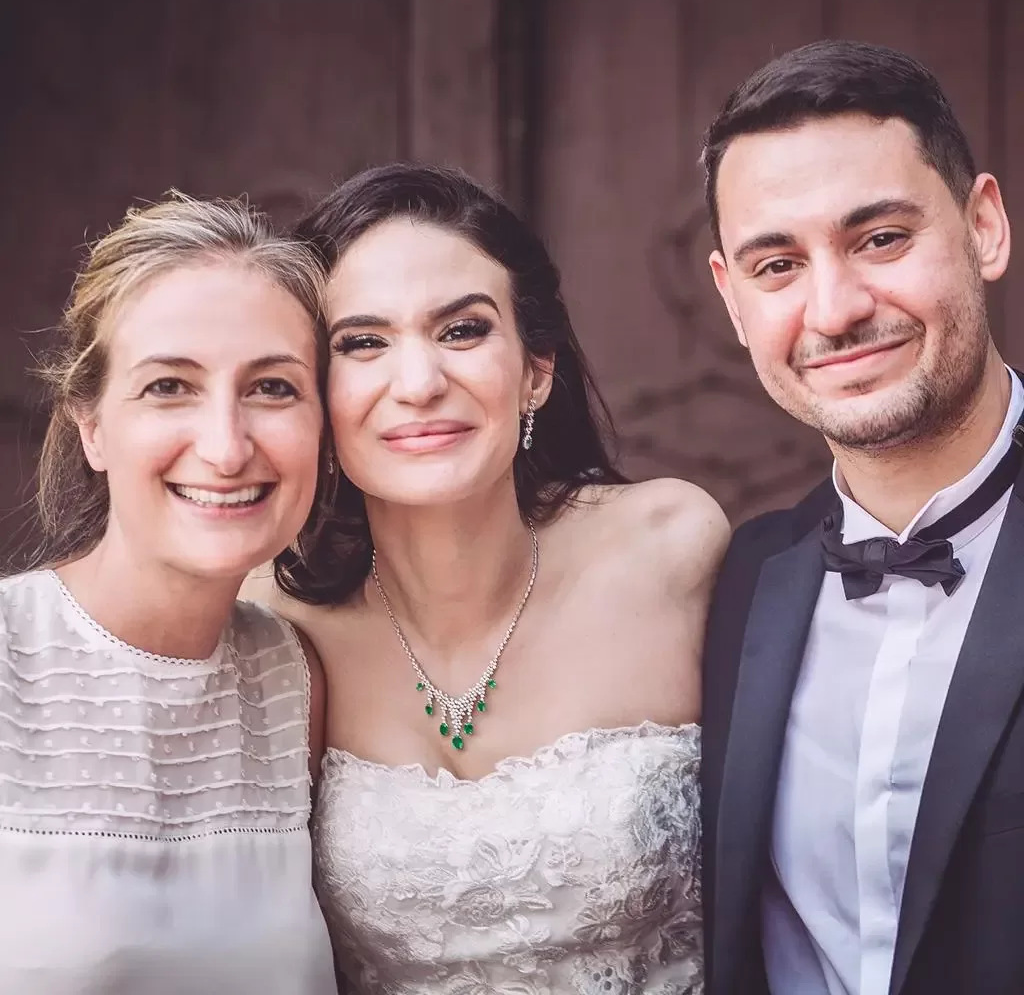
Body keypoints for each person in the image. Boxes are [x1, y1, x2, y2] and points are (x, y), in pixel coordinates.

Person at [245, 163, 728, 993]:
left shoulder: (672, 550)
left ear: (536, 368)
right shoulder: (275, 626)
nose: (419, 384)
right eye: (362, 343)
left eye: (463, 331)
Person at [700, 39, 1024, 995]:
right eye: (777, 265)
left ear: (984, 227)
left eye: (880, 239)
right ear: (731, 300)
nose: (834, 310)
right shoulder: (737, 585)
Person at [0, 193, 338, 993]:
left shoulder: (293, 681)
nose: (225, 448)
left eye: (273, 388)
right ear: (90, 425)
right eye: (168, 387)